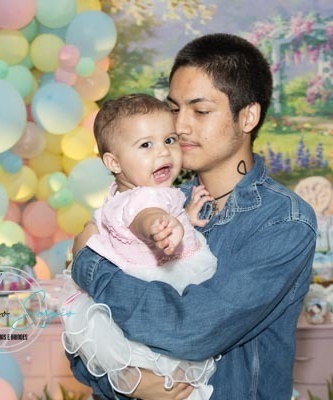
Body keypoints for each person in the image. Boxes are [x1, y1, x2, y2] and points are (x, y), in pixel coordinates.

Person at [68, 33, 317, 400]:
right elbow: (82, 343)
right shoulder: (162, 203)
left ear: (248, 116)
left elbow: (191, 329)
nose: (180, 126)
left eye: (200, 111)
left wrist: (89, 265)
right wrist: (127, 380)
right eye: (173, 109)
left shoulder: (284, 222)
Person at [61, 94, 218, 399]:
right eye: (146, 145)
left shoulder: (133, 192)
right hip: (159, 280)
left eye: (169, 140)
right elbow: (143, 217)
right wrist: (160, 225)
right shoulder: (144, 199)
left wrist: (184, 218)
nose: (163, 151)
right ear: (114, 162)